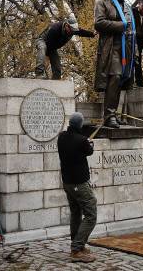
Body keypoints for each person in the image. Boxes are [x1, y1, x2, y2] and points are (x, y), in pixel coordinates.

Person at [94, 0, 136, 128]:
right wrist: (121, 25)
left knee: (119, 82)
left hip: (126, 49)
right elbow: (98, 23)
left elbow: (132, 29)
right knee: (115, 77)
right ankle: (109, 114)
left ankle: (112, 114)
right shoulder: (103, 3)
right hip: (110, 48)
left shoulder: (127, 7)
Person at [57, 112, 97, 263]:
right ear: (80, 124)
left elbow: (78, 145)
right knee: (91, 213)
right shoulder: (82, 140)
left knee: (76, 212)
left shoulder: (61, 137)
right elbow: (89, 151)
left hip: (67, 182)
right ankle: (76, 248)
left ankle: (77, 245)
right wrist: (89, 142)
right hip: (79, 183)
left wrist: (86, 141)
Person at [35, 15, 94, 79]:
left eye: (74, 31)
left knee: (57, 68)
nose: (72, 32)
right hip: (43, 41)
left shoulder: (73, 30)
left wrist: (93, 34)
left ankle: (56, 82)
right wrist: (46, 59)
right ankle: (39, 73)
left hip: (52, 47)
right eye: (71, 30)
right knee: (42, 48)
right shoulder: (55, 29)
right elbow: (48, 45)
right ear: (66, 26)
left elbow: (82, 32)